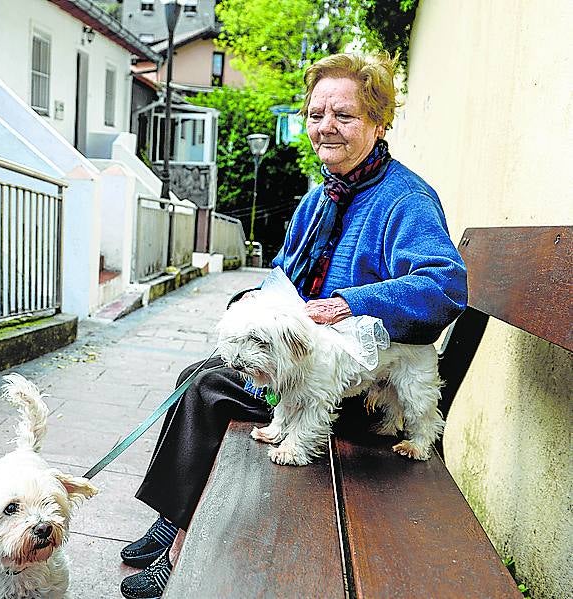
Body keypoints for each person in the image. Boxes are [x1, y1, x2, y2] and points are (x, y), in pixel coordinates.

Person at [119, 51, 467, 599]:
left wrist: (349, 302)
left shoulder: (406, 199)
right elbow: (282, 276)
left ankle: (178, 546)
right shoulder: (321, 196)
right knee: (204, 369)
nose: (326, 126)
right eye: (316, 113)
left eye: (345, 115)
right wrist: (255, 304)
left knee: (211, 385)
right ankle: (174, 520)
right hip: (306, 361)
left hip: (357, 382)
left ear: (378, 123)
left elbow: (446, 287)